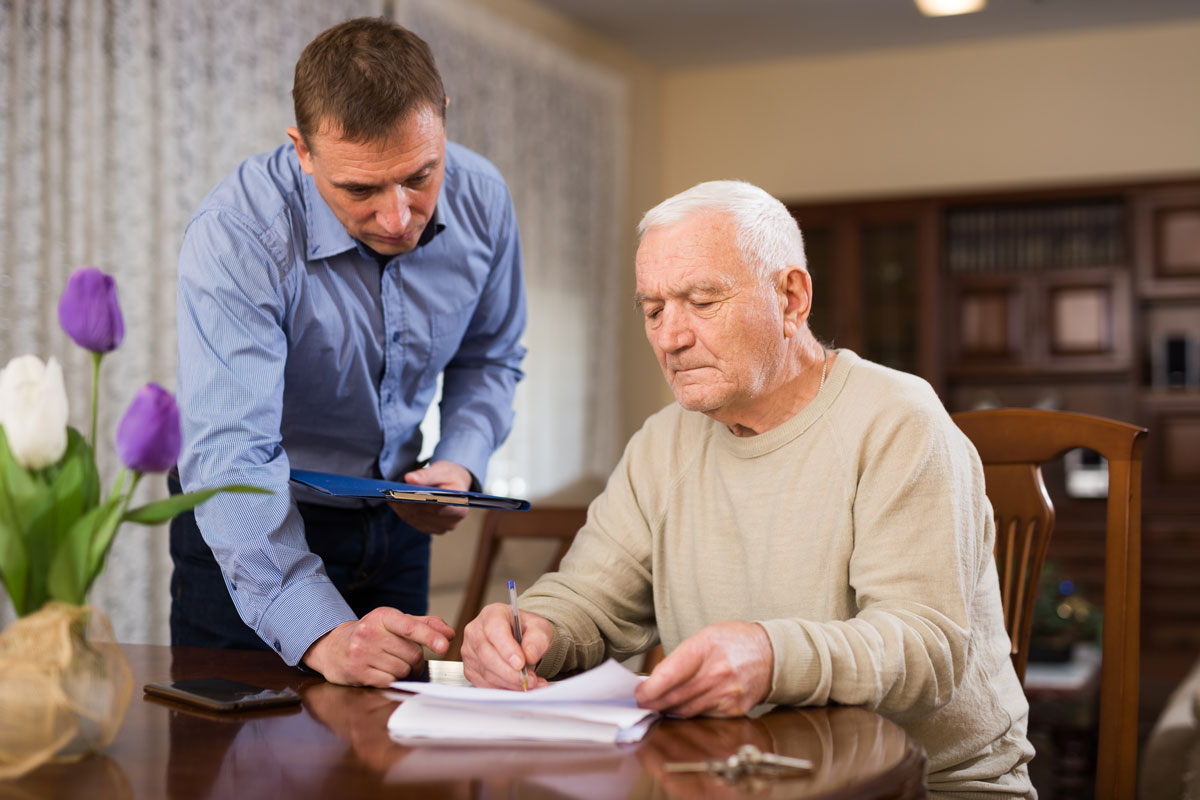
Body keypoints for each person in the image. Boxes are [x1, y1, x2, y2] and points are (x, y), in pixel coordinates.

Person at [462, 181, 1035, 795]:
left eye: (702, 301)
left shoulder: (900, 419)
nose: (670, 337)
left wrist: (770, 656)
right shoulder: (662, 443)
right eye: (654, 310)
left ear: (791, 299)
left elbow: (925, 649)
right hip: (739, 780)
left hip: (925, 786)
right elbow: (590, 598)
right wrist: (534, 630)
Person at [172, 17, 526, 687]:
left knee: (390, 760)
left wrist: (459, 461)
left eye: (421, 176)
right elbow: (230, 453)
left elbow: (491, 356)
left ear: (442, 120)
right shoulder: (237, 233)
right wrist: (320, 629)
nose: (398, 219)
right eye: (360, 190)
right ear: (302, 151)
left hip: (397, 529)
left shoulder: (485, 200)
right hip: (253, 530)